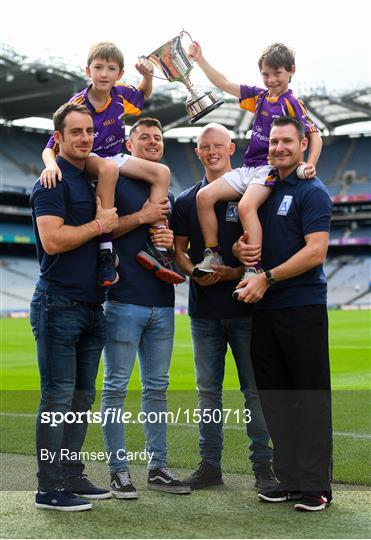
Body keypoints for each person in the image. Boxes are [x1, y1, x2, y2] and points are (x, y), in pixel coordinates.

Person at [234, 116, 333, 512]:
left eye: (286, 142)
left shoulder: (312, 190)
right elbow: (254, 244)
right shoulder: (264, 188)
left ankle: (315, 486)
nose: (278, 148)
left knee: (308, 398)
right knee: (276, 399)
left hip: (302, 306)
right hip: (267, 308)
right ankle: (289, 479)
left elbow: (315, 251)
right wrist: (245, 254)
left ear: (302, 145)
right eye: (273, 141)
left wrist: (268, 278)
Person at [173, 123, 276, 491]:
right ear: (197, 151)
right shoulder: (187, 199)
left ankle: (264, 466)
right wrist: (193, 273)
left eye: (218, 145)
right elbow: (179, 251)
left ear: (231, 147)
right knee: (208, 393)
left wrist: (235, 270)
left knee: (254, 391)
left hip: (247, 310)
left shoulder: (253, 190)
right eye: (205, 146)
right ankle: (210, 465)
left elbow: (265, 249)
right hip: (203, 312)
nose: (212, 151)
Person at [30, 102, 119, 511]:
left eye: (89, 131)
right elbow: (53, 240)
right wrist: (100, 226)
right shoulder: (51, 182)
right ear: (59, 139)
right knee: (57, 398)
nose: (85, 138)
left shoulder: (91, 178)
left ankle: (71, 473)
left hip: (90, 306)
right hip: (57, 304)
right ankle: (49, 487)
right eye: (76, 132)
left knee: (82, 397)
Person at [41, 42, 183, 287]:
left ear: (119, 74)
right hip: (89, 157)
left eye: (111, 69)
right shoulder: (78, 104)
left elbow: (143, 95)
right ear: (88, 72)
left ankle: (158, 246)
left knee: (162, 172)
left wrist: (147, 77)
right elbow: (49, 145)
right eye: (98, 67)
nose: (104, 74)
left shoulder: (120, 93)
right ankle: (106, 250)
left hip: (115, 154)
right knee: (108, 169)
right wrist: (51, 166)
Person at [101, 117, 190, 498]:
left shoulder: (167, 192)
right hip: (123, 300)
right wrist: (141, 217)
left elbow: (171, 248)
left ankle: (158, 467)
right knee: (116, 388)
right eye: (145, 137)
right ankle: (118, 471)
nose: (152, 142)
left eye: (158, 138)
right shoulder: (114, 177)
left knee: (157, 389)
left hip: (161, 303)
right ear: (129, 143)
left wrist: (168, 240)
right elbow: (102, 229)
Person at [188, 42, 322, 290]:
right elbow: (224, 83)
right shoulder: (259, 96)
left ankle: (253, 267)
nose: (271, 80)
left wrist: (309, 164)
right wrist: (200, 60)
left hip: (267, 168)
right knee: (203, 196)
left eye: (277, 73)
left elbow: (316, 135)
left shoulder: (292, 103)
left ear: (291, 70)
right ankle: (213, 253)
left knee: (246, 206)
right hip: (248, 168)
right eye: (265, 74)